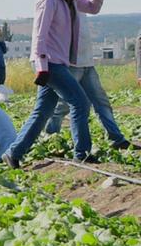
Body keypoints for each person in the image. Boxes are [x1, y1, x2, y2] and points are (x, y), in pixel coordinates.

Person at [3, 0, 105, 167]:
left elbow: (93, 8)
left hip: (58, 62)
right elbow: (39, 35)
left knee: (43, 111)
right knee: (80, 103)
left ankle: (13, 153)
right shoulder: (49, 0)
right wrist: (42, 67)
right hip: (49, 62)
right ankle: (82, 153)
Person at [45, 17, 133, 152]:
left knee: (101, 102)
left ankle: (116, 138)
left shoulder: (81, 9)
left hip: (87, 64)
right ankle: (51, 136)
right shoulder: (65, 8)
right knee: (63, 105)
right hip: (71, 65)